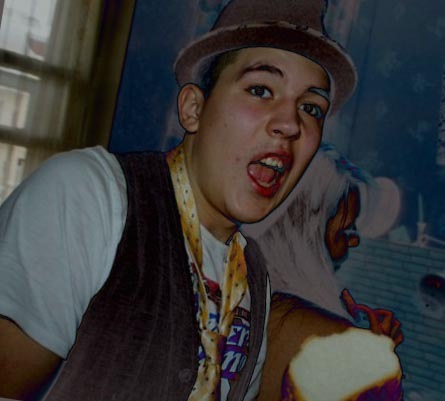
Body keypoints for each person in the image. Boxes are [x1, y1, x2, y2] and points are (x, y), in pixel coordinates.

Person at [0, 0, 357, 400]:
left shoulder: (252, 274)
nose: (291, 124)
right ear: (193, 109)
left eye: (311, 107)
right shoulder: (90, 197)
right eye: (260, 90)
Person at [244, 145, 403, 400]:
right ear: (305, 235)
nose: (354, 242)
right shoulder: (328, 338)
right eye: (345, 231)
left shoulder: (233, 296)